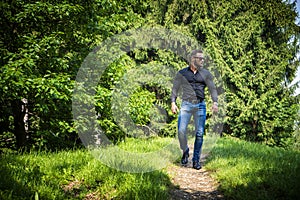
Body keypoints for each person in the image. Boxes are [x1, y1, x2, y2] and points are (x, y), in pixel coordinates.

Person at [171, 49, 218, 170]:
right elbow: (175, 88)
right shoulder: (182, 73)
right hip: (186, 105)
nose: (202, 60)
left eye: (203, 58)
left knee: (200, 133)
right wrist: (173, 102)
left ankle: (196, 160)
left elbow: (212, 88)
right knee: (181, 131)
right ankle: (185, 150)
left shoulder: (206, 74)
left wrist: (215, 102)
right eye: (200, 58)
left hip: (200, 106)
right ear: (193, 59)